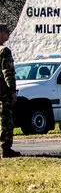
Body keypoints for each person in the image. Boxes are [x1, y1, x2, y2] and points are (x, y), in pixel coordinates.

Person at [0, 24, 19, 158]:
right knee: (6, 119)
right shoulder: (4, 51)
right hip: (3, 91)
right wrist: (12, 91)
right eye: (6, 31)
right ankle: (5, 148)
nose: (8, 34)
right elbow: (8, 73)